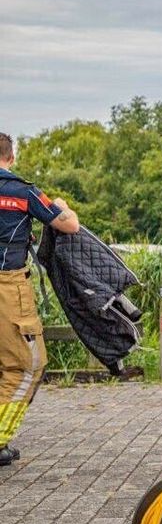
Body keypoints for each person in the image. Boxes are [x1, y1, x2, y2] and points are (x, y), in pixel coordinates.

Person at [0, 132, 80, 466]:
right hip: (8, 286)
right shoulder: (21, 191)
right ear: (11, 157)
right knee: (26, 365)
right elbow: (70, 225)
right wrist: (61, 206)